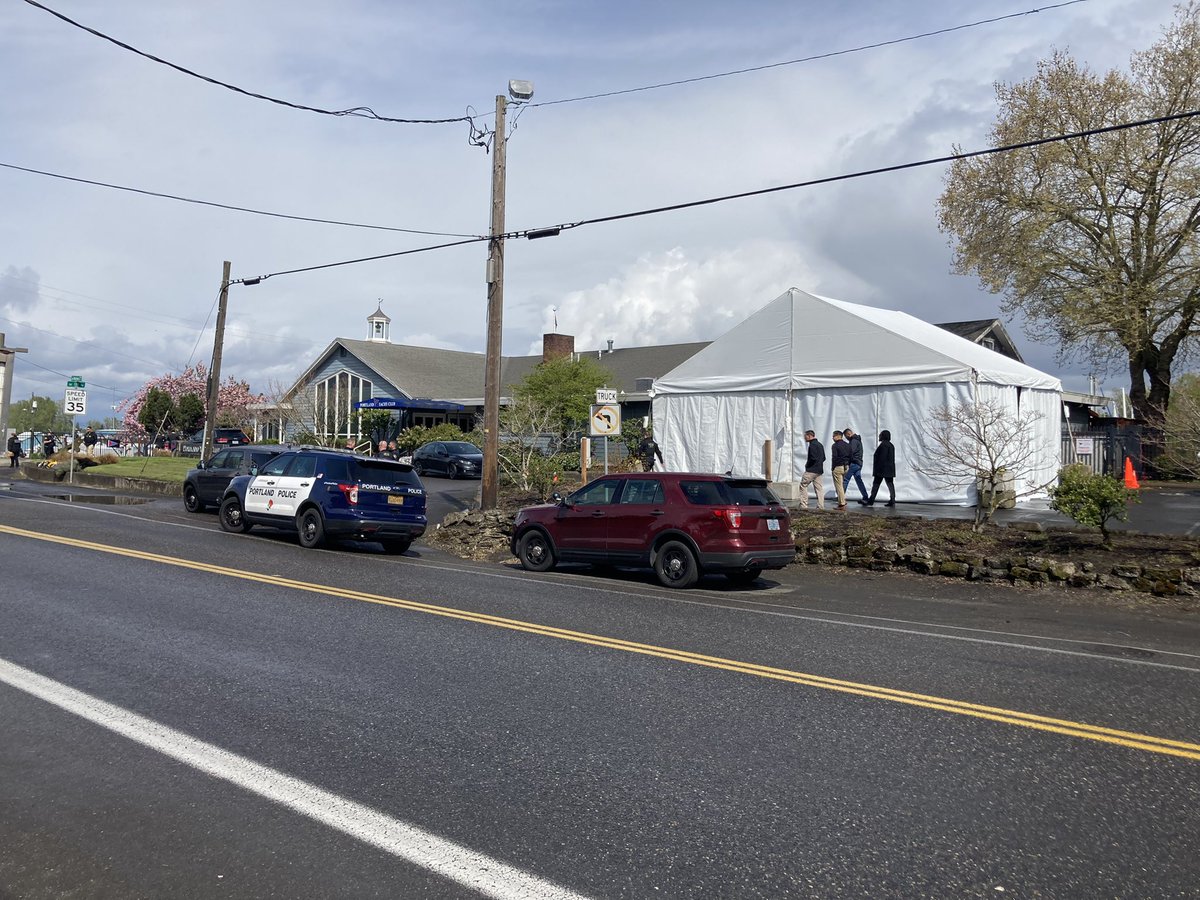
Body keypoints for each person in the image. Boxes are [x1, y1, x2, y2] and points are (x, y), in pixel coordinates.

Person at [862, 429, 897, 507]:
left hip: (881, 469)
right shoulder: (891, 445)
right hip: (889, 469)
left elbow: (882, 458)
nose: (879, 436)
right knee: (890, 485)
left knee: (876, 485)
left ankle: (871, 501)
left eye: (880, 435)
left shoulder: (883, 445)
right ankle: (893, 500)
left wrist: (877, 470)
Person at [842, 426, 869, 504]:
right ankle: (865, 497)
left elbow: (850, 452)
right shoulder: (858, 440)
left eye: (846, 436)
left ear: (848, 434)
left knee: (845, 479)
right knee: (859, 480)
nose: (846, 438)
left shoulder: (853, 441)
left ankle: (841, 497)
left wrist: (846, 462)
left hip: (854, 463)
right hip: (859, 463)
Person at [799, 429, 825, 510]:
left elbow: (813, 458)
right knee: (819, 488)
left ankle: (804, 505)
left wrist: (808, 465)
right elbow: (824, 458)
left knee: (803, 485)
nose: (804, 438)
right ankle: (821, 506)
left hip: (811, 470)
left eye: (805, 436)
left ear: (810, 436)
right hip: (819, 470)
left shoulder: (812, 445)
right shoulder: (820, 445)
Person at [830, 430, 851, 509]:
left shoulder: (835, 446)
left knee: (839, 486)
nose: (832, 438)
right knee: (842, 484)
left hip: (838, 466)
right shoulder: (847, 445)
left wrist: (833, 467)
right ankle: (842, 500)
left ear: (838, 436)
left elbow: (834, 457)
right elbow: (851, 456)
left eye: (833, 436)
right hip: (846, 466)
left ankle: (842, 502)